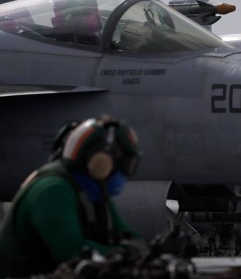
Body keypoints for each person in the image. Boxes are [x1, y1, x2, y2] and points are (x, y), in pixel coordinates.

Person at [0, 115, 141, 277]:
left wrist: (157, 247)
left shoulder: (94, 193)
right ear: (101, 163)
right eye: (126, 164)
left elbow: (125, 235)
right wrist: (127, 254)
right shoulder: (53, 191)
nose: (126, 173)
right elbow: (73, 253)